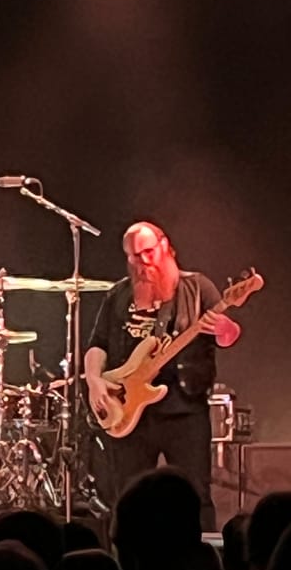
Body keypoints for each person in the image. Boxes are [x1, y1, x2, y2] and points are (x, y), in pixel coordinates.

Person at [82, 221, 241, 531]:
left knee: (196, 496)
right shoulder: (118, 295)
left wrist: (223, 328)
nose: (143, 262)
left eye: (148, 252)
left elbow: (229, 335)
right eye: (133, 257)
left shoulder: (197, 288)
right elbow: (97, 344)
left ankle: (201, 563)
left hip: (184, 410)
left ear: (166, 246)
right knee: (126, 500)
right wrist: (94, 379)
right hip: (128, 414)